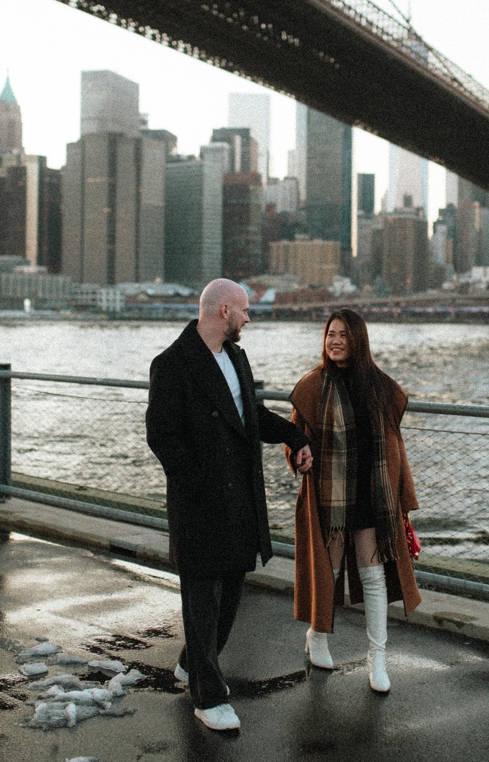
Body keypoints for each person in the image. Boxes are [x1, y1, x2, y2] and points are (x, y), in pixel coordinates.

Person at [145, 278, 310, 732]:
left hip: (240, 499)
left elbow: (251, 417)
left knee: (231, 594)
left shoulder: (236, 357)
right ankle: (208, 696)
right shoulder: (173, 364)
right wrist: (196, 480)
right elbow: (161, 435)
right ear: (222, 311)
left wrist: (296, 436)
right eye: (243, 310)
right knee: (201, 597)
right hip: (200, 501)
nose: (248, 318)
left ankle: (191, 661)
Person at [286, 308, 421, 693]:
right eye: (331, 334)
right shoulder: (313, 386)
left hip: (372, 495)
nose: (336, 341)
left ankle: (376, 658)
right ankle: (318, 636)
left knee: (373, 575)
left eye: (344, 334)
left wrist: (404, 500)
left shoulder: (380, 387)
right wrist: (298, 454)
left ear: (358, 340)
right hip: (329, 495)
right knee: (326, 571)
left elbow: (396, 446)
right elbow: (293, 438)